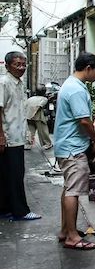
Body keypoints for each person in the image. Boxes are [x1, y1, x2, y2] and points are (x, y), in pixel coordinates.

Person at [53, 52, 95, 250]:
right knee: (73, 191)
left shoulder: (72, 85)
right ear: (88, 68)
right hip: (73, 148)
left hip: (67, 144)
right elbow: (83, 120)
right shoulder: (76, 89)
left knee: (68, 188)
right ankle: (72, 237)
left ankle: (66, 230)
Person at [0, 51, 41, 221]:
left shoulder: (19, 83)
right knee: (15, 175)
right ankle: (20, 211)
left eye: (24, 64)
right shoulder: (4, 82)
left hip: (16, 136)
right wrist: (1, 136)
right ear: (8, 65)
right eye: (17, 64)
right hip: (8, 137)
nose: (22, 67)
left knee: (8, 175)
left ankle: (5, 209)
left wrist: (27, 133)